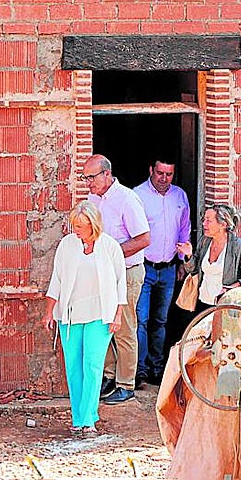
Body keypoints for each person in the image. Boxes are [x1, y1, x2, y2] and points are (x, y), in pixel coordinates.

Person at [42, 201, 127, 435]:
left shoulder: (110, 247)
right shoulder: (66, 245)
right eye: (75, 225)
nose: (76, 229)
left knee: (93, 365)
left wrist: (118, 315)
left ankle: (89, 418)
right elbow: (56, 280)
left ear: (93, 224)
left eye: (81, 225)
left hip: (101, 314)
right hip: (70, 315)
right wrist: (49, 311)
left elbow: (121, 284)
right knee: (73, 367)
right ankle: (78, 417)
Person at [82, 154, 150, 405]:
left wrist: (113, 253)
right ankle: (109, 375)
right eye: (85, 177)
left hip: (127, 271)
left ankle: (126, 383)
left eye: (91, 177)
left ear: (106, 175)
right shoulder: (93, 199)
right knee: (104, 325)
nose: (88, 183)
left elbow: (144, 239)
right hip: (102, 272)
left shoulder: (126, 199)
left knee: (124, 326)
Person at [132, 158, 192, 387]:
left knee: (161, 320)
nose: (163, 179)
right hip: (144, 267)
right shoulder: (137, 195)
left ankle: (157, 369)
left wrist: (181, 262)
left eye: (168, 174)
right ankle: (140, 371)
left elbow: (184, 229)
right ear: (151, 170)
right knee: (141, 320)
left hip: (168, 269)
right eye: (159, 173)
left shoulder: (180, 196)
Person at [180, 204, 241, 314]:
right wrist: (189, 255)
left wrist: (230, 289)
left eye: (209, 220)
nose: (204, 224)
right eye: (204, 220)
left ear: (223, 224)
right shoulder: (205, 241)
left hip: (224, 305)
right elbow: (193, 271)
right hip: (202, 302)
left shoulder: (238, 246)